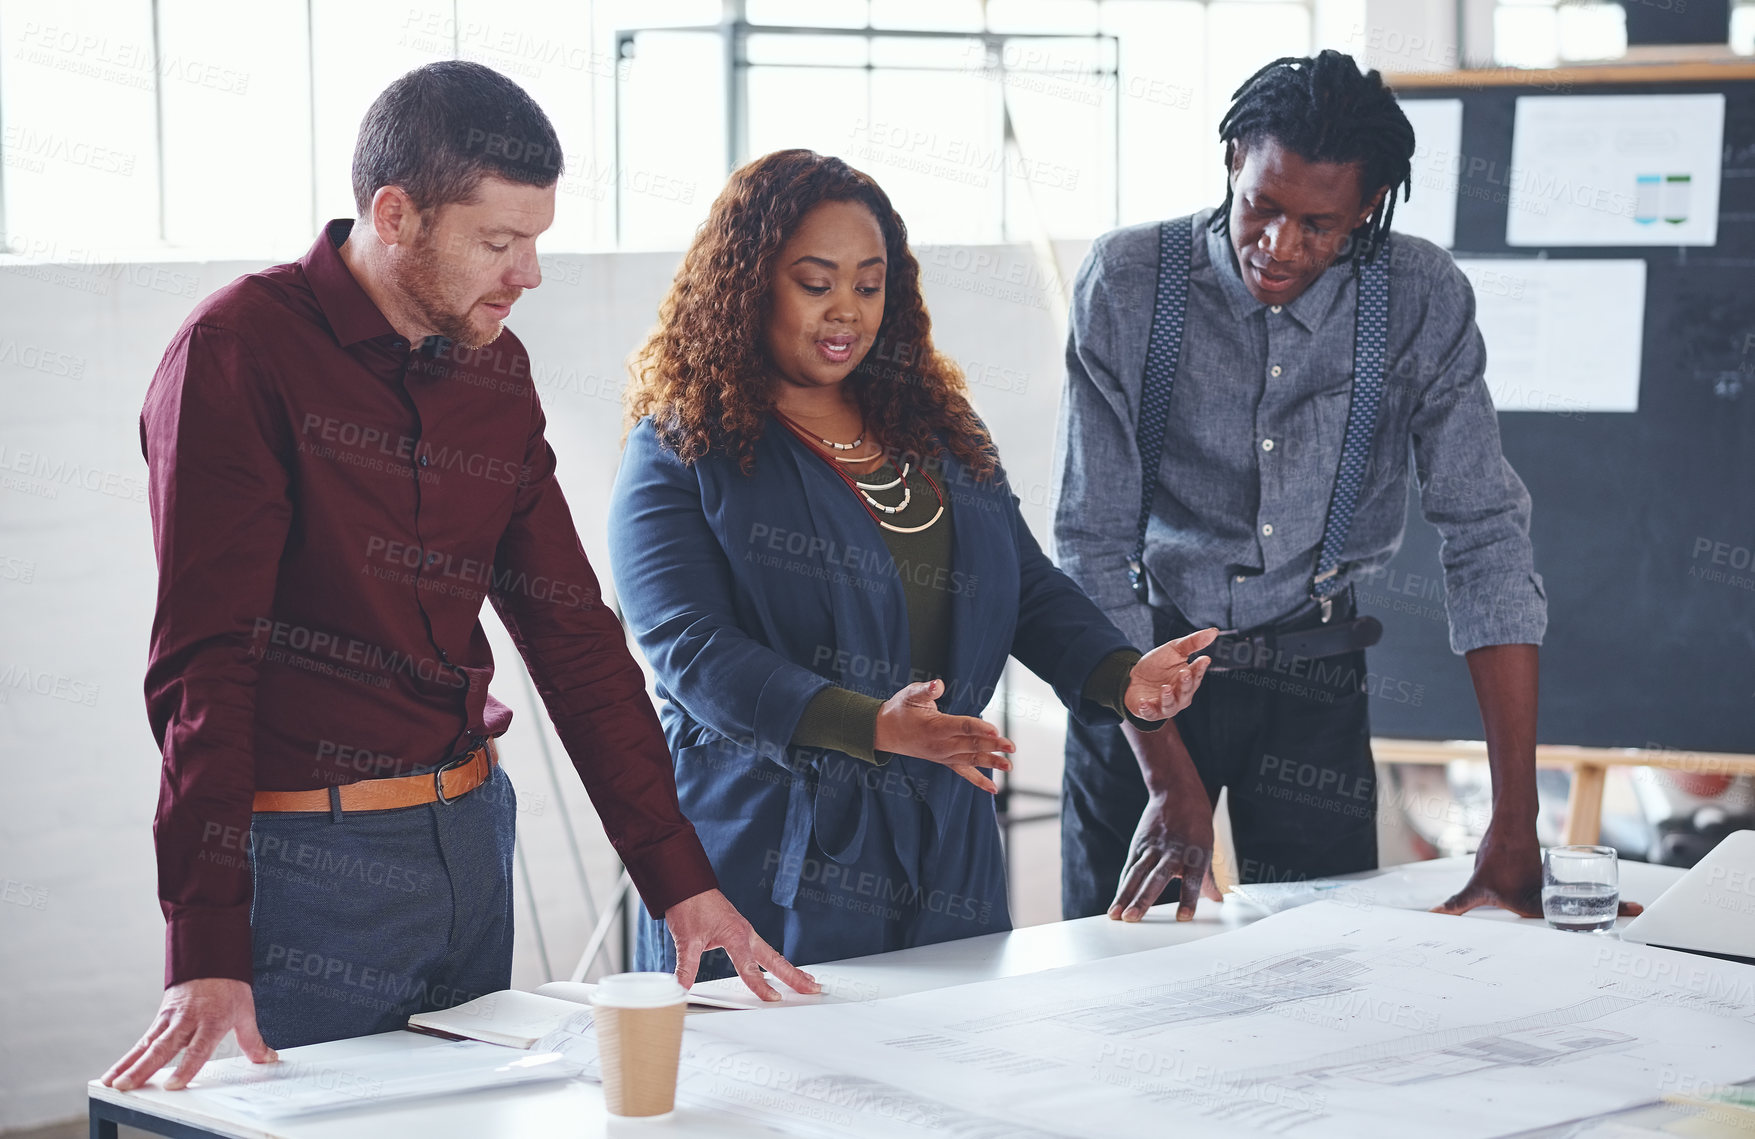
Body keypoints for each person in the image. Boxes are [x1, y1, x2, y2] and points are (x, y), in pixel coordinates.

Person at [103, 62, 814, 1094]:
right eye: (498, 241)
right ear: (394, 215)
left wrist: (681, 880)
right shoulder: (235, 353)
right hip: (309, 869)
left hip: (474, 839)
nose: (528, 273)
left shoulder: (494, 369)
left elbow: (572, 634)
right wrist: (206, 938)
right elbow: (205, 667)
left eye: (537, 239)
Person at [1053, 51, 1643, 925]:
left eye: (1319, 225)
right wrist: (1166, 775)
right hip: (1142, 666)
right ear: (1231, 161)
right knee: (1111, 964)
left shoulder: (1417, 296)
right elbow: (1092, 542)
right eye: (1261, 205)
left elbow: (1484, 534)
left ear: (1368, 208)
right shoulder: (1129, 282)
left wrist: (1512, 819)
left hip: (1312, 683)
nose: (1278, 246)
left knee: (1318, 972)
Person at [608, 149, 1216, 977]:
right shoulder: (682, 447)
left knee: (946, 1083)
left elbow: (1024, 587)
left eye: (869, 283)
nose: (845, 312)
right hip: (768, 853)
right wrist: (871, 727)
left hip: (944, 848)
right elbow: (688, 648)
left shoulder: (935, 427)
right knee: (775, 1093)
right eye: (815, 283)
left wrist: (1119, 676)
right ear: (746, 283)